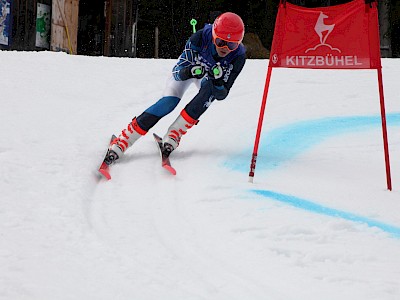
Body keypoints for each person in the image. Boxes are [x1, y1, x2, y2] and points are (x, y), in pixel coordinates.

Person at [104, 12, 246, 165]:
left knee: (209, 93)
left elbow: (222, 94)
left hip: (207, 79)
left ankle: (174, 134)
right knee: (169, 102)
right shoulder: (199, 38)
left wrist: (217, 81)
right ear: (213, 35)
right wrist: (189, 71)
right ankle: (124, 139)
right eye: (220, 42)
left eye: (232, 45)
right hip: (189, 72)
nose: (225, 48)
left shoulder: (238, 56)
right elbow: (177, 73)